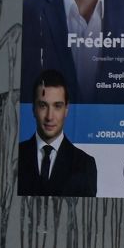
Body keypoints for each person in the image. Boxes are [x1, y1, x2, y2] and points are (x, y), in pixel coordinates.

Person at [16, 69, 98, 197]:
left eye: (57, 106)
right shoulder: (14, 157)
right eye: (43, 105)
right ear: (33, 108)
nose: (49, 116)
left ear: (66, 109)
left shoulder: (85, 165)